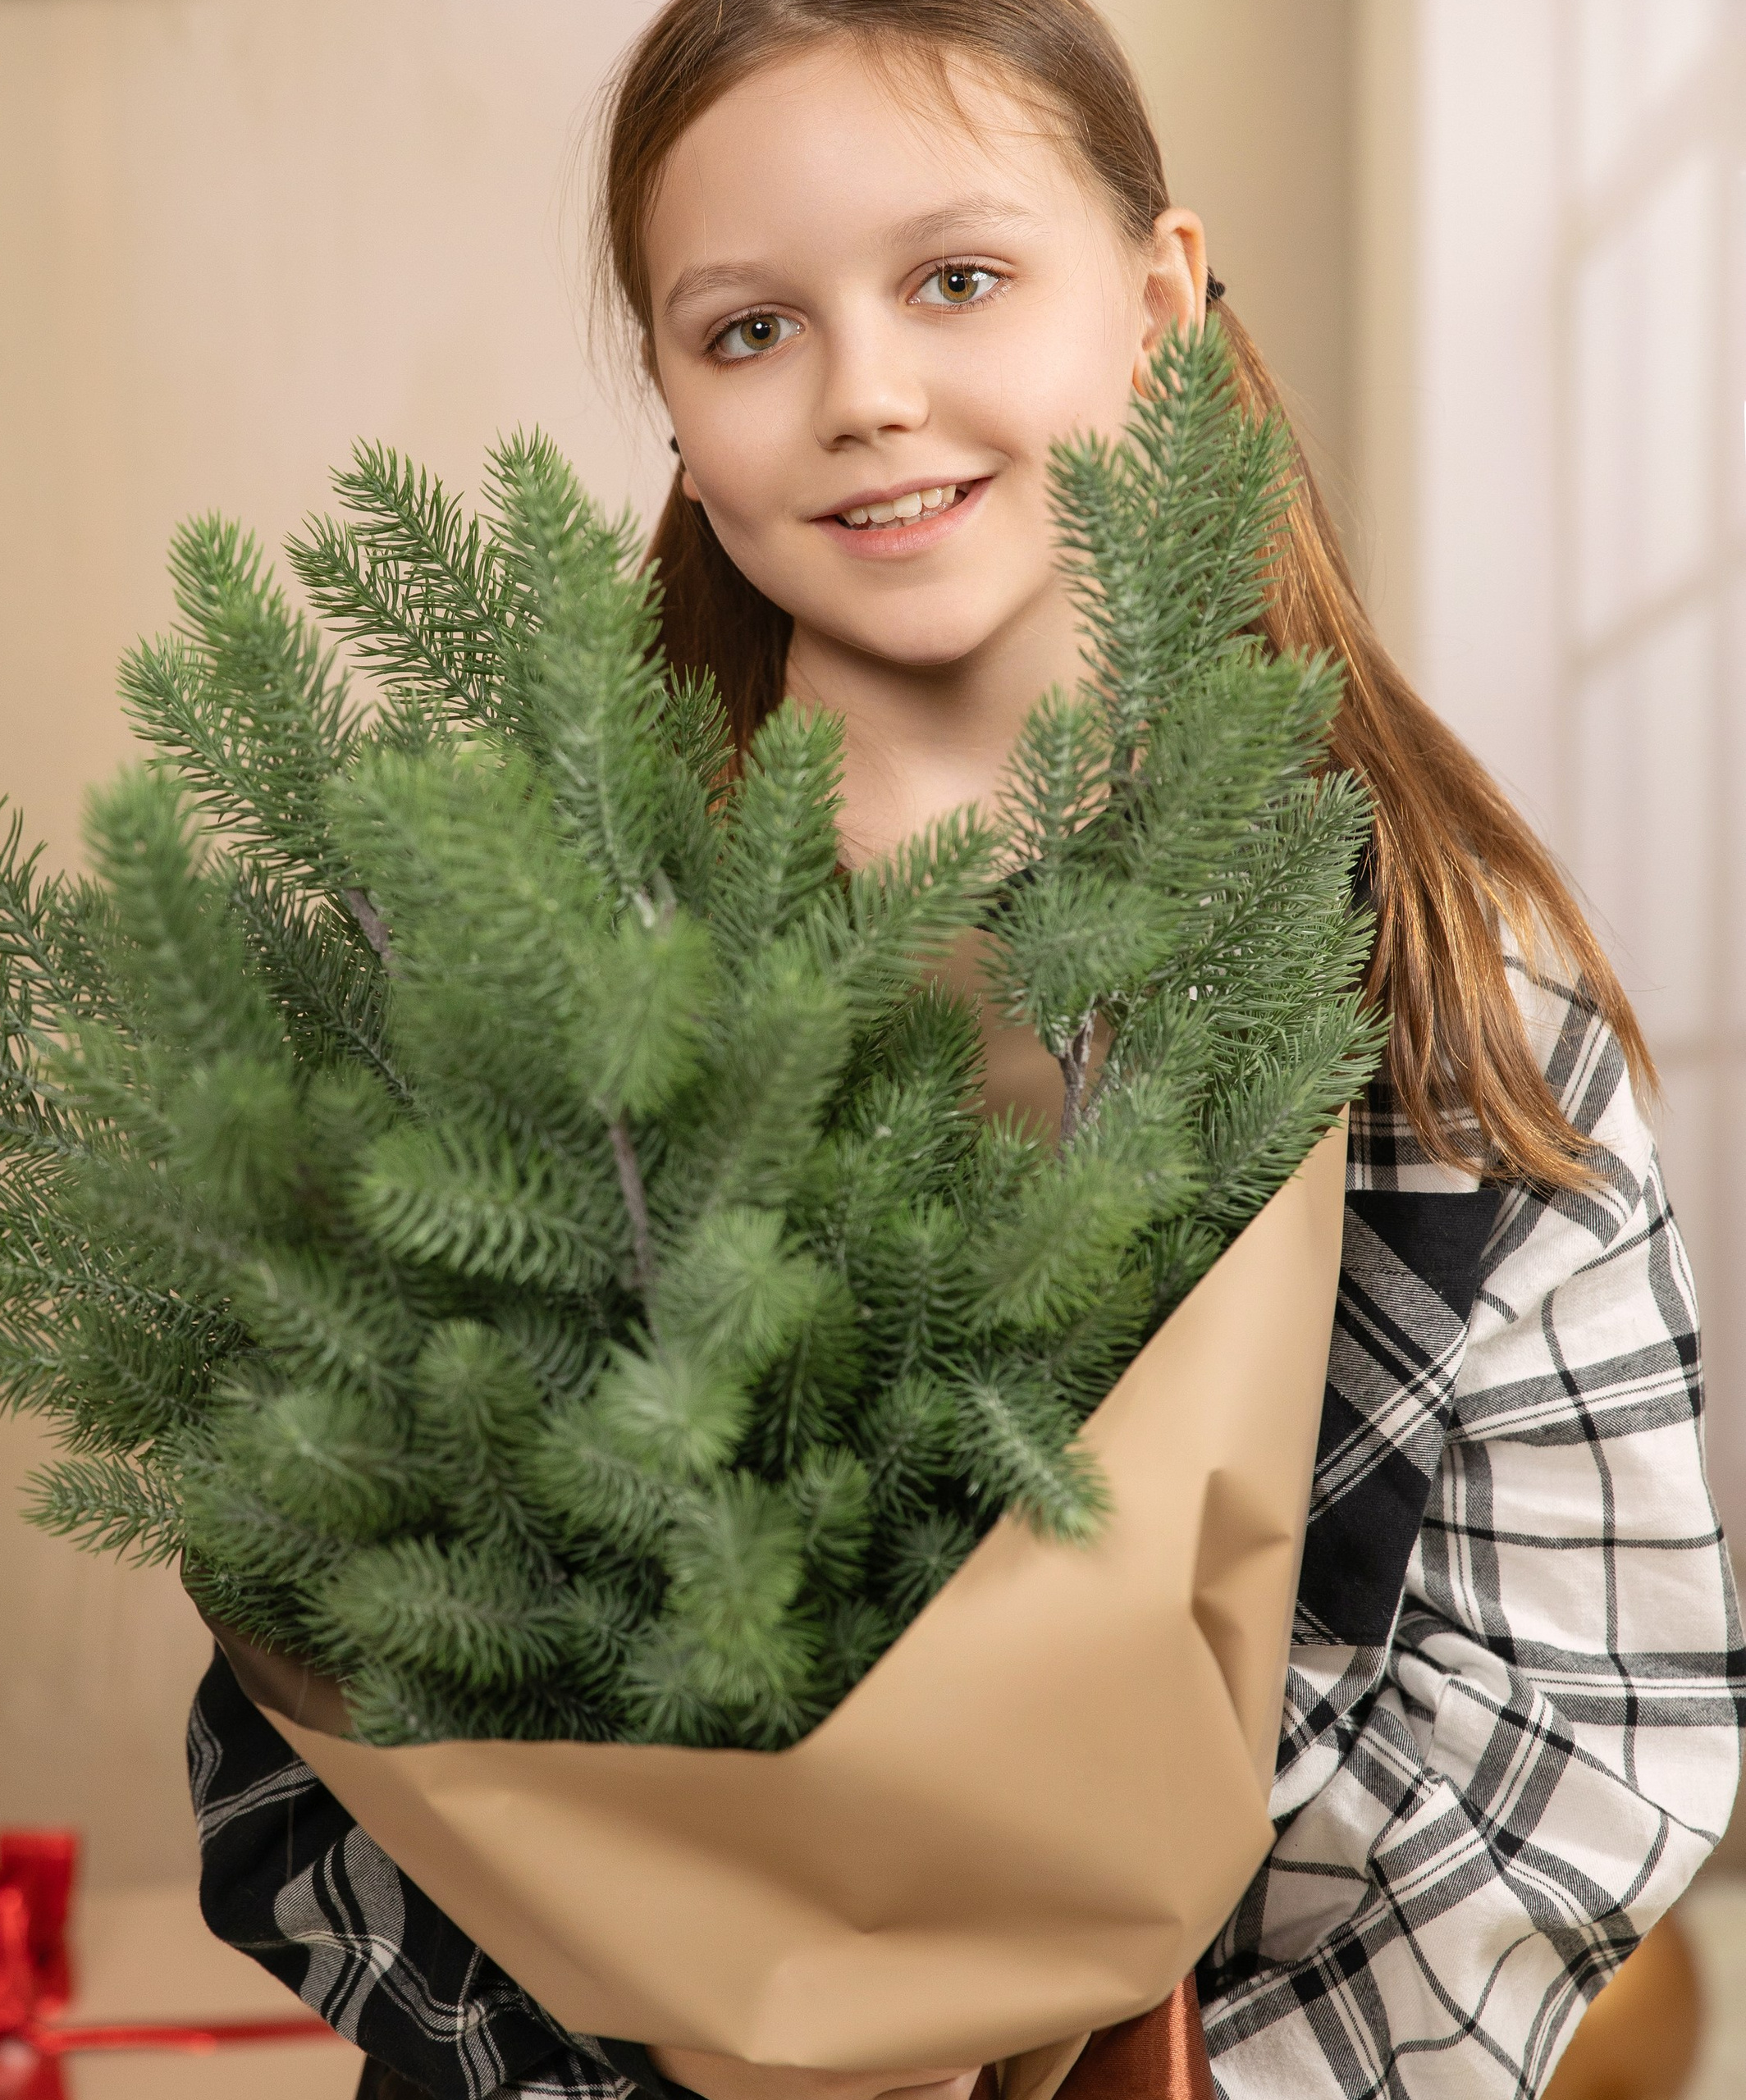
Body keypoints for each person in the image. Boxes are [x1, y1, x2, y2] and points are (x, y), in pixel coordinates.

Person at [185, 2, 1745, 2093]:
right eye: (747, 331)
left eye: (955, 278)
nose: (866, 394)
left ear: (1158, 302)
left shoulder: (1454, 988)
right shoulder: (512, 970)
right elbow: (312, 1742)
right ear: (666, 393)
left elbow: (1575, 1728)